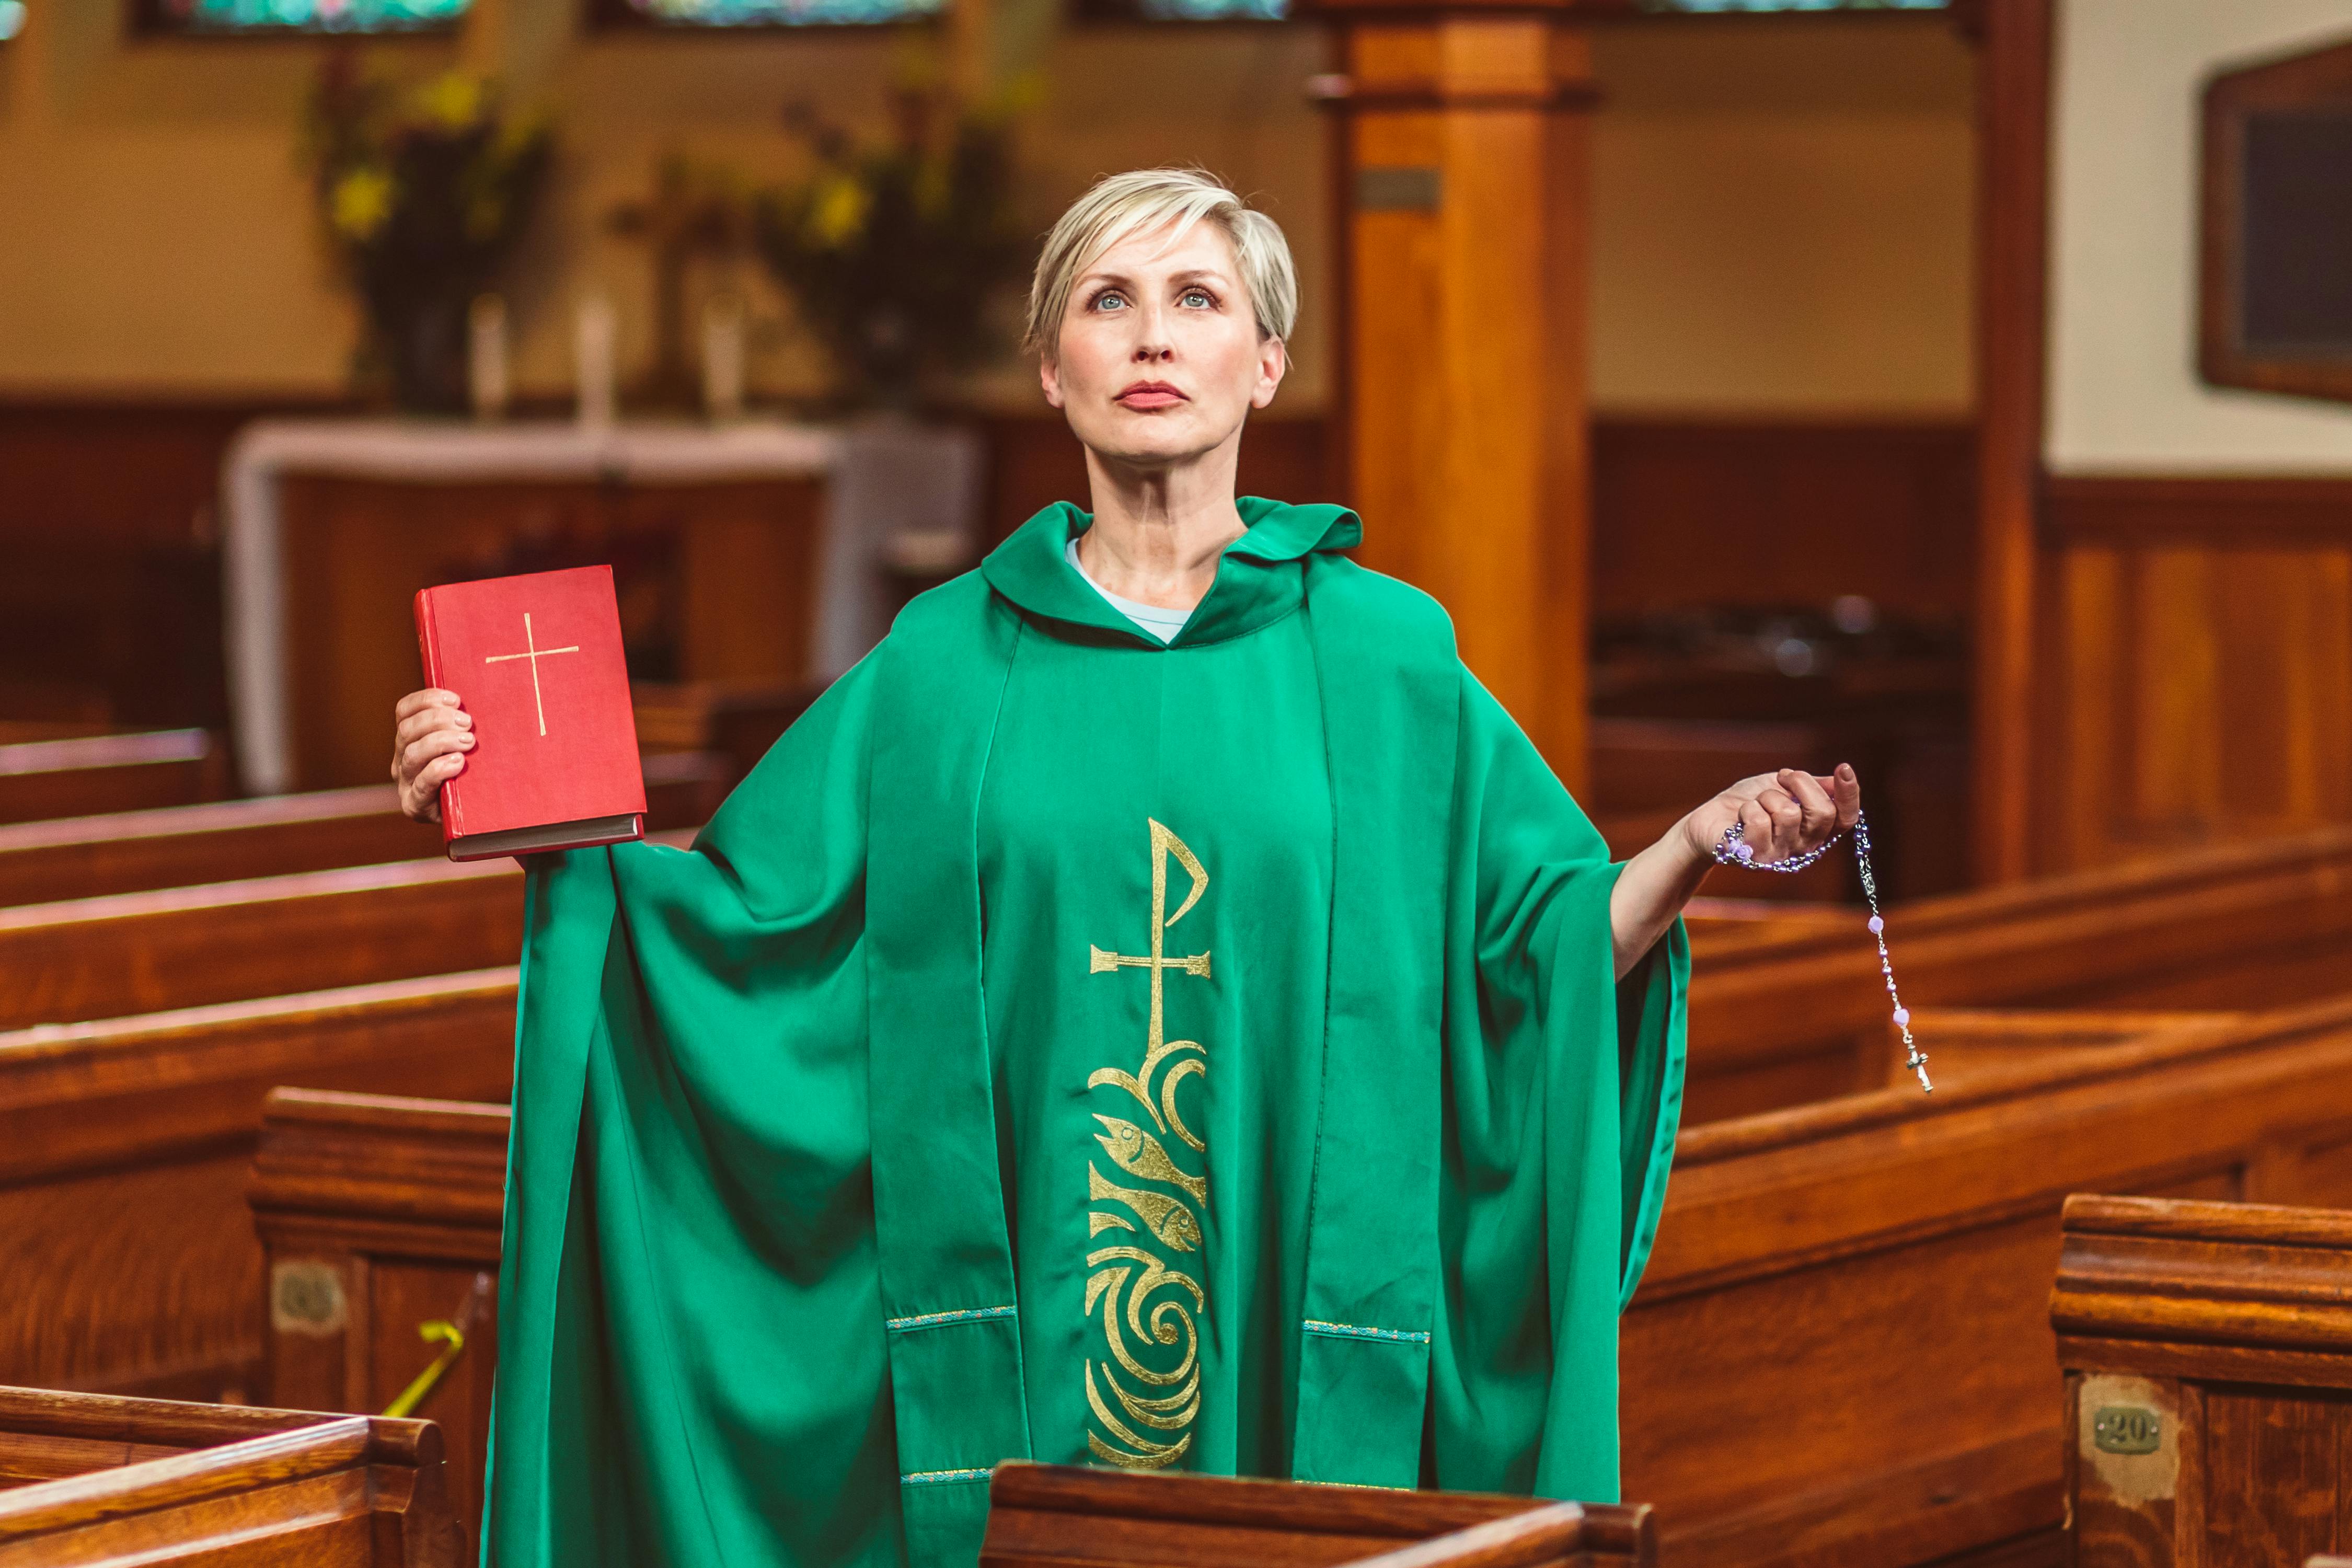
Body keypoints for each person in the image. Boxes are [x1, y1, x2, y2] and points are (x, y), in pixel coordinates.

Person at [391, 167, 1859, 1568]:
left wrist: (1688, 843)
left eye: (1198, 298)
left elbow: (1538, 946)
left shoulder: (1383, 656)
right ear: (1049, 367)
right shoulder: (940, 669)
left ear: (1266, 362)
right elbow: (722, 933)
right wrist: (521, 806)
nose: (1153, 333)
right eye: (1106, 299)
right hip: (1017, 1312)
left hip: (1292, 1305)